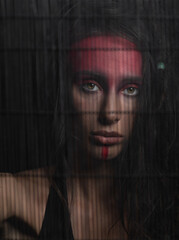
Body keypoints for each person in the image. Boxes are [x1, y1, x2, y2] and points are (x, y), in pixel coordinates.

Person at [0, 0, 178, 239]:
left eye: (130, 89)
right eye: (91, 86)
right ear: (63, 89)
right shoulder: (13, 196)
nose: (110, 113)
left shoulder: (164, 207)